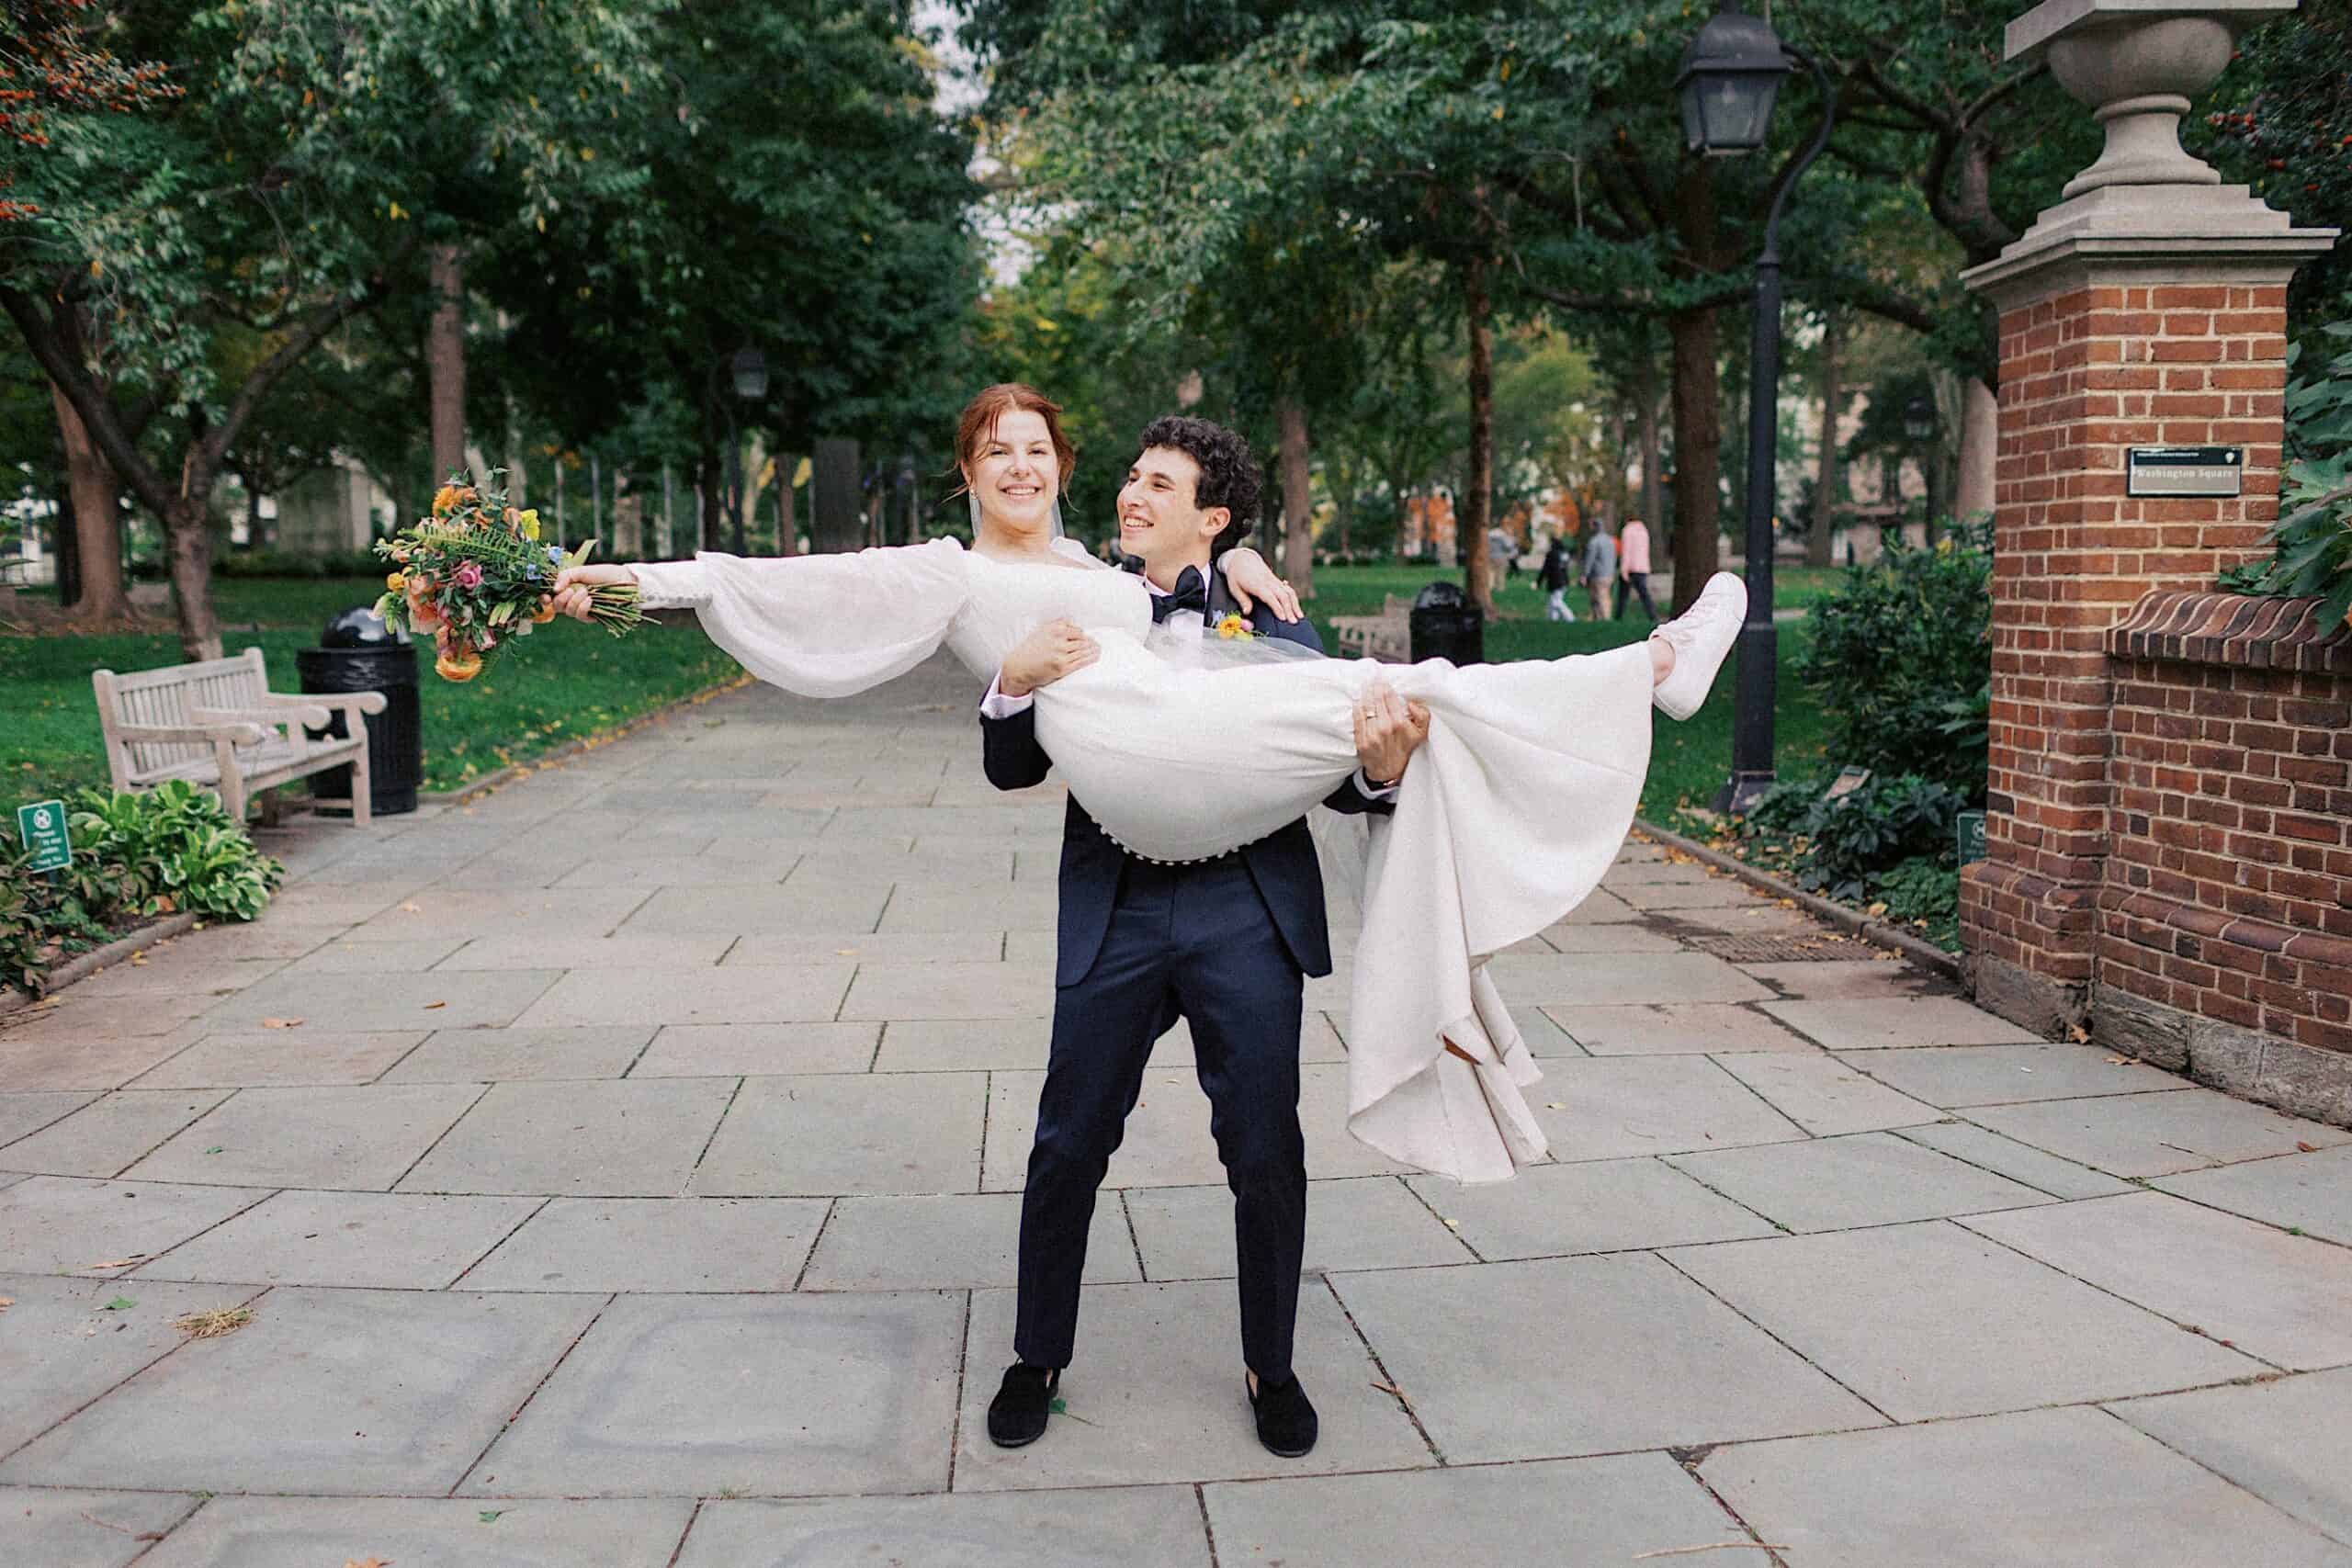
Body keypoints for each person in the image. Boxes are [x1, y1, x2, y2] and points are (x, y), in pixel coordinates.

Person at [552, 382, 1746, 1186]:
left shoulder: (1105, 567)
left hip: (1194, 740)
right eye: (997, 452)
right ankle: (1647, 664)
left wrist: (1231, 559)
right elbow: (770, 578)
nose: (1023, 467)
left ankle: (1645, 669)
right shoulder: (943, 569)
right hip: (1133, 759)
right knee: (1413, 690)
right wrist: (614, 584)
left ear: (1058, 471)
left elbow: (1173, 599)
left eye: (1039, 451)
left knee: (1409, 704)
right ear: (968, 471)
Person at [977, 414, 1424, 1459]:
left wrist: (1384, 769)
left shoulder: (1276, 620)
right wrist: (1011, 681)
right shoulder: (1078, 609)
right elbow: (1011, 771)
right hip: (1115, 907)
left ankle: (1272, 1365)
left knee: (1266, 1152)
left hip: (1246, 913)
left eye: (1157, 485)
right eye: (1131, 478)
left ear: (1211, 519)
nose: (1130, 495)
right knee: (1066, 1143)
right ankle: (1036, 1356)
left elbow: (1344, 780)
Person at [1617, 512, 1658, 622]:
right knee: (1644, 594)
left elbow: (1627, 551)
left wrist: (1623, 569)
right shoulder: (1644, 531)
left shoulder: (1627, 531)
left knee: (1623, 595)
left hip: (1631, 567)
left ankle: (1618, 616)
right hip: (1643, 567)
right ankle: (1652, 615)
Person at [1581, 515, 1619, 622]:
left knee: (1600, 598)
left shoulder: (1594, 542)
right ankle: (1597, 619)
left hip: (1598, 575)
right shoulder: (1611, 541)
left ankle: (1605, 619)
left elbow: (1590, 560)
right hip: (1609, 574)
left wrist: (1584, 574)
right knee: (1603, 596)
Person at [1537, 535, 1574, 622]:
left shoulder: (1552, 554)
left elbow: (1545, 569)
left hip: (1555, 581)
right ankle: (1553, 620)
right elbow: (1565, 569)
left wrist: (1539, 581)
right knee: (1552, 602)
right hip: (1564, 581)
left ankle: (1570, 618)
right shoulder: (1565, 554)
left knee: (1556, 601)